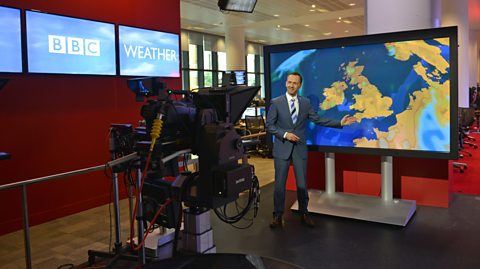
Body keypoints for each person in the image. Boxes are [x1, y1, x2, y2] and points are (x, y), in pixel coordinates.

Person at [265, 72, 356, 228]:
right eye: (289, 82)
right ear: (286, 83)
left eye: (295, 83)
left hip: (299, 149)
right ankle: (277, 215)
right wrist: (286, 134)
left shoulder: (305, 103)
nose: (291, 85)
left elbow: (318, 119)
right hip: (282, 148)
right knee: (280, 184)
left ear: (300, 85)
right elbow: (270, 125)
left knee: (302, 184)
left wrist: (339, 123)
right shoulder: (276, 102)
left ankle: (304, 212)